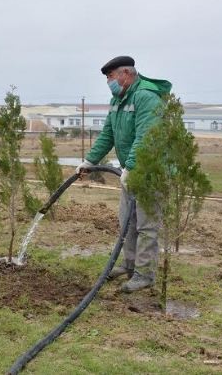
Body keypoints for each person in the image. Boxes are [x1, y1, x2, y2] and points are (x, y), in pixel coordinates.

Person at [76, 56, 172, 292]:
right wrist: (90, 161)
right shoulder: (118, 100)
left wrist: (131, 166)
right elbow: (108, 134)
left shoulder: (146, 97)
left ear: (126, 74)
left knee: (146, 225)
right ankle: (129, 265)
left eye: (111, 77)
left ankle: (144, 274)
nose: (109, 82)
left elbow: (146, 137)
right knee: (127, 222)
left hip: (151, 172)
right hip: (131, 170)